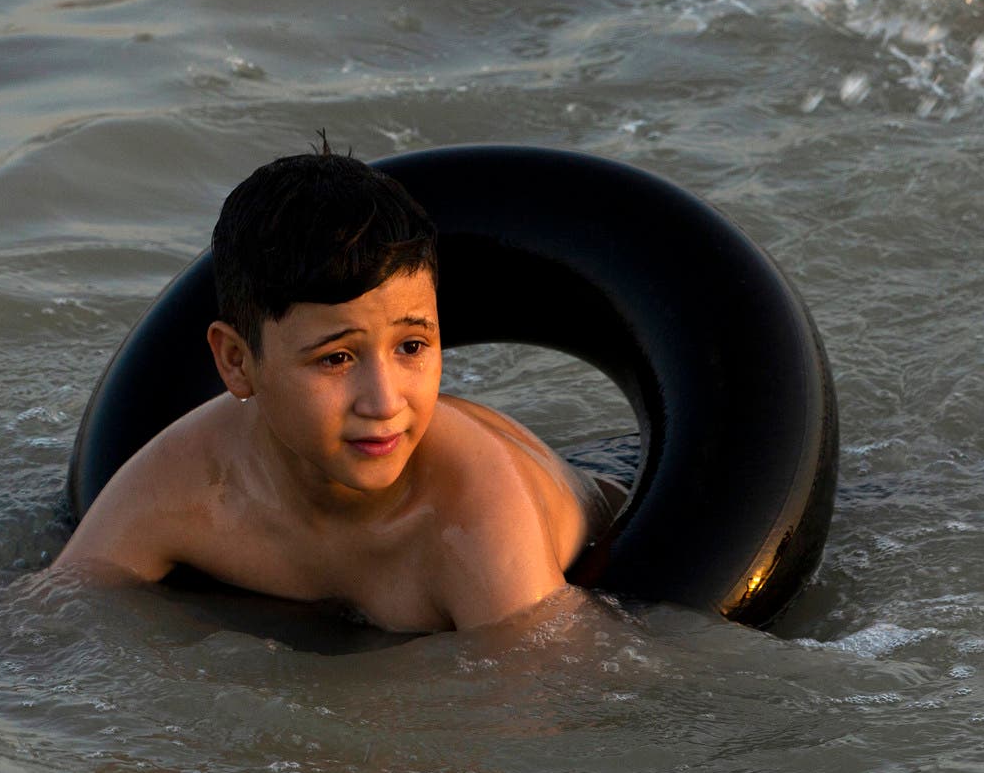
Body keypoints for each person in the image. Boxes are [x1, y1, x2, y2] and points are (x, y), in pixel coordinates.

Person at [52, 141, 618, 632]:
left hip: (619, 503)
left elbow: (549, 715)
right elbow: (50, 615)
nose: (384, 402)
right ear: (235, 361)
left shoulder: (474, 517)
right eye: (337, 358)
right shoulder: (192, 478)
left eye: (412, 347)